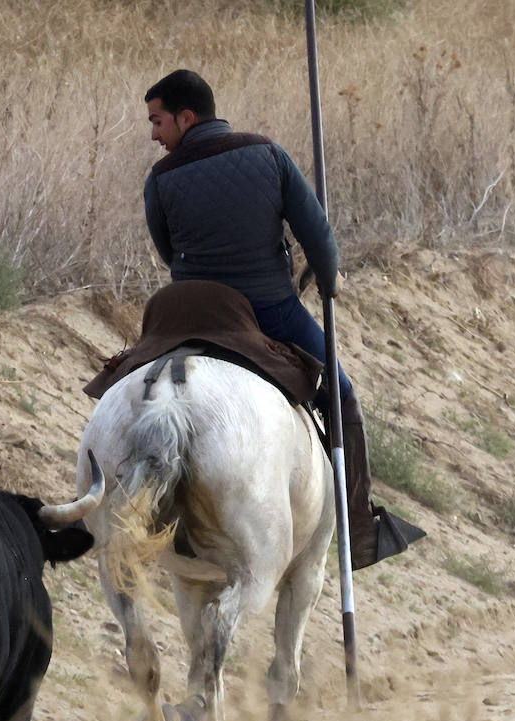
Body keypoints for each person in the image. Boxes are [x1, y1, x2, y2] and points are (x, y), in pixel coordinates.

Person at [141, 68, 403, 571]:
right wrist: (329, 279)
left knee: (138, 378)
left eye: (157, 122)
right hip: (270, 311)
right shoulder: (268, 153)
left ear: (186, 117)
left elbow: (165, 250)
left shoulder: (161, 179)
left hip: (189, 315)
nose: (154, 134)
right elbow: (317, 235)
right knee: (342, 393)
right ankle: (360, 529)